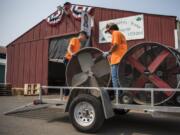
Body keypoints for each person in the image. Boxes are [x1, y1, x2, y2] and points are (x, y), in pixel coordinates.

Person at [103, 23, 128, 95]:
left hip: (117, 59)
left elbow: (116, 45)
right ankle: (123, 95)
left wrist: (108, 52)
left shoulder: (115, 33)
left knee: (115, 78)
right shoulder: (120, 34)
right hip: (120, 58)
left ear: (110, 29)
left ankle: (118, 96)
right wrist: (111, 54)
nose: (109, 33)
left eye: (108, 31)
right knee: (120, 78)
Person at [63, 31, 88, 100]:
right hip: (68, 59)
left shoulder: (79, 44)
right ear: (82, 35)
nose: (85, 40)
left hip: (72, 61)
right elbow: (69, 48)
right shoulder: (74, 39)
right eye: (85, 38)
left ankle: (71, 93)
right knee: (69, 77)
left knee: (74, 77)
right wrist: (71, 53)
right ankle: (66, 95)